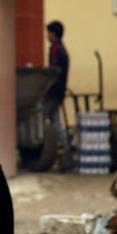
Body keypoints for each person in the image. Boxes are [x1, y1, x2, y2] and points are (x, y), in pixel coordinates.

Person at [43, 21, 70, 158]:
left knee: (41, 116)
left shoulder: (57, 50)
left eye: (48, 33)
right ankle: (65, 147)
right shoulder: (59, 49)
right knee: (55, 120)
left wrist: (46, 87)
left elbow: (54, 72)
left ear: (53, 34)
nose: (47, 35)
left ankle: (59, 147)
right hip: (58, 92)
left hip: (54, 92)